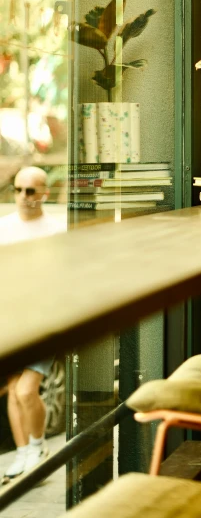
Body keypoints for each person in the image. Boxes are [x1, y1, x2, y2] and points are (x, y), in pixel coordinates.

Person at [0, 166, 66, 484]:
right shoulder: (3, 228)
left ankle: (38, 449)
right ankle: (23, 452)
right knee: (13, 391)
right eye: (18, 190)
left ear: (44, 193)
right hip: (9, 320)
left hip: (43, 322)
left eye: (30, 190)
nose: (23, 197)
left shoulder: (57, 230)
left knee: (27, 390)